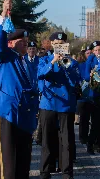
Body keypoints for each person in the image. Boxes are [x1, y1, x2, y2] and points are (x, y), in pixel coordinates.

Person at [0, 0, 39, 179]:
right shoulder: (4, 56)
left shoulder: (24, 61)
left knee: (23, 165)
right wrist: (3, 14)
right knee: (7, 165)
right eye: (21, 40)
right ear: (11, 43)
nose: (26, 43)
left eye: (27, 40)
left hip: (24, 117)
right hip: (8, 114)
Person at [37, 32, 81, 179]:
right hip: (48, 104)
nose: (59, 45)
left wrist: (66, 66)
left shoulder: (72, 63)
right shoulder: (44, 60)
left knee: (66, 141)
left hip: (65, 106)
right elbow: (40, 75)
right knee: (47, 141)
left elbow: (75, 82)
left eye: (62, 43)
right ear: (52, 44)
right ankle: (45, 171)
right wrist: (53, 62)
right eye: (56, 43)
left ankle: (67, 172)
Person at [83, 41, 100, 154]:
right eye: (96, 50)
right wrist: (92, 75)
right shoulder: (90, 60)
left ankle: (99, 145)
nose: (98, 52)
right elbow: (85, 76)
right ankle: (90, 145)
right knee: (95, 122)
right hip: (94, 94)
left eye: (99, 49)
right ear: (93, 51)